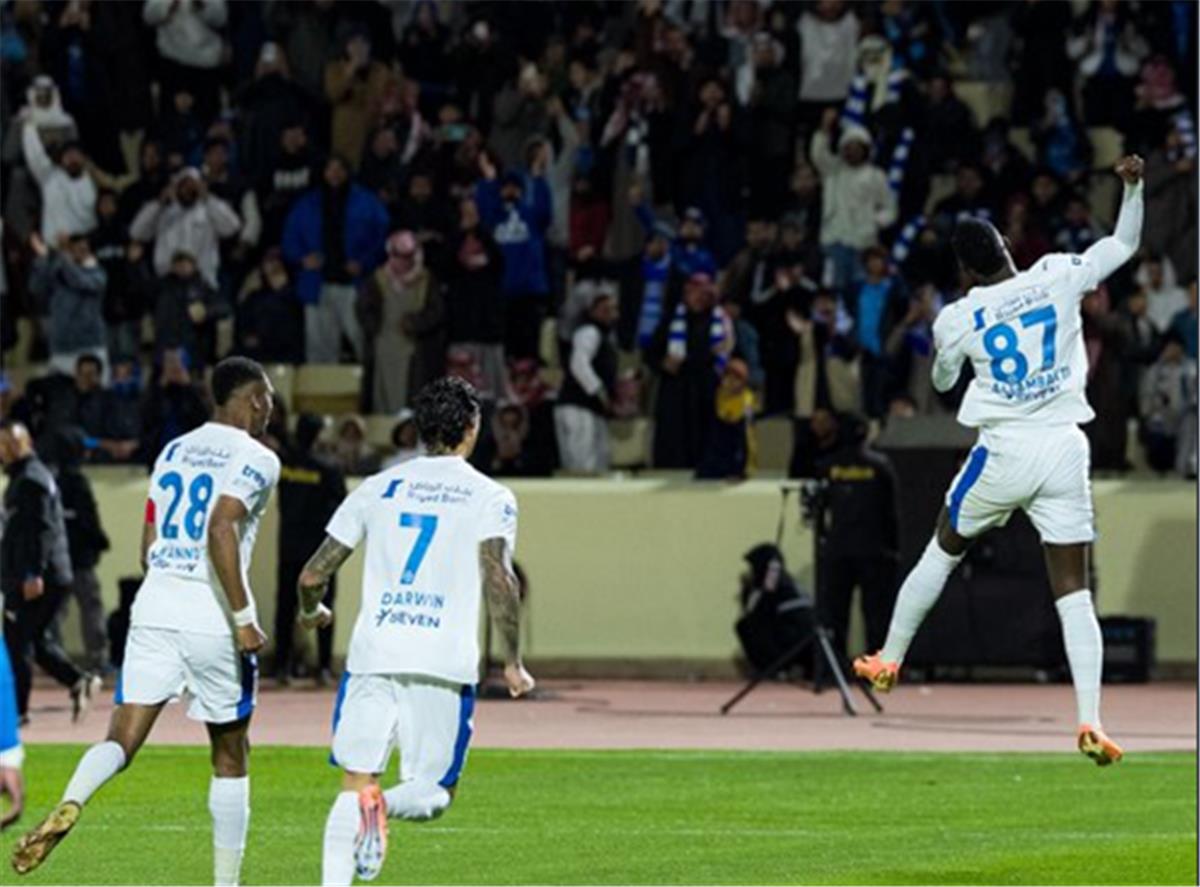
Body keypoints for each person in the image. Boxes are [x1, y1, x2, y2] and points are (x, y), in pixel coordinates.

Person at [854, 156, 1148, 767]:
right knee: (1074, 594)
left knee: (942, 547)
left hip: (1005, 449)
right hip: (1064, 447)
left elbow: (942, 382)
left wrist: (944, 353)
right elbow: (1124, 243)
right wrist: (1133, 187)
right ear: (1008, 247)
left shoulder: (958, 317)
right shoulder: (1057, 273)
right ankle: (1091, 721)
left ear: (965, 270)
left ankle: (888, 658)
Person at [12, 357, 280, 884]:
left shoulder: (174, 450)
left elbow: (148, 543)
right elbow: (221, 528)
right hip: (211, 616)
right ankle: (226, 883)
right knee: (231, 751)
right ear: (253, 399)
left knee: (120, 740)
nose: (272, 408)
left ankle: (73, 799)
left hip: (154, 605)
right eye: (268, 398)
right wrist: (244, 617)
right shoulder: (257, 457)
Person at [293, 376, 534, 885]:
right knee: (434, 793)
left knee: (352, 783)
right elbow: (499, 577)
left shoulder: (377, 487)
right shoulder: (489, 495)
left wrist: (311, 612)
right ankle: (381, 805)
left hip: (374, 655)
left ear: (420, 430)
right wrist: (512, 660)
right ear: (472, 428)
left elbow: (313, 574)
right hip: (442, 662)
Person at [0, 421, 96, 725]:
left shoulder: (31, 480)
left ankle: (18, 712)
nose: (4, 450)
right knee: (35, 640)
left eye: (9, 443)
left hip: (38, 577)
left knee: (18, 642)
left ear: (25, 443)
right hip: (40, 574)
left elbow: (41, 530)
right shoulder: (26, 477)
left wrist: (33, 573)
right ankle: (77, 680)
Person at [281, 155, 389, 363]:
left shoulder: (367, 202)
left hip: (354, 284)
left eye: (340, 168)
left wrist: (364, 262)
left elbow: (381, 238)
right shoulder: (307, 204)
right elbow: (290, 237)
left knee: (364, 340)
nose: (335, 174)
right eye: (330, 169)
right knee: (320, 346)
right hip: (317, 283)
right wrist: (302, 259)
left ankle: (371, 383)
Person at [813, 412, 900, 663]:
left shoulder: (828, 467)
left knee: (835, 613)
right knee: (876, 614)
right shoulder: (880, 466)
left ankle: (834, 668)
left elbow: (819, 512)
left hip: (838, 550)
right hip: (875, 550)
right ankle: (877, 668)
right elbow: (891, 512)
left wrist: (824, 543)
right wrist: (894, 548)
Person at [274, 414, 346, 687]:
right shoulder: (328, 468)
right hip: (319, 553)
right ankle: (324, 667)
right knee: (323, 607)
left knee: (285, 607)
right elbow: (341, 508)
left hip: (288, 547)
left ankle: (282, 666)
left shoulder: (285, 465)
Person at [43, 428, 111, 674]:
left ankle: (53, 659)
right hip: (81, 561)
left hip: (55, 560)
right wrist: (100, 541)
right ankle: (98, 659)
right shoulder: (78, 482)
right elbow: (88, 520)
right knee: (91, 607)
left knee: (54, 612)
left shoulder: (48, 480)